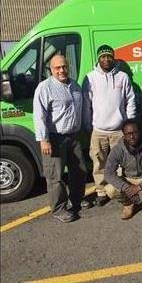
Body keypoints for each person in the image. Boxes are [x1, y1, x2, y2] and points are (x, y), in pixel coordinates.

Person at [33, 55, 86, 223]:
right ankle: (59, 209)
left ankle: (76, 200)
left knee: (80, 171)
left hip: (73, 137)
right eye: (57, 68)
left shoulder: (75, 85)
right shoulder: (45, 87)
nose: (62, 70)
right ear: (51, 69)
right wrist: (44, 139)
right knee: (55, 176)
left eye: (64, 66)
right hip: (54, 138)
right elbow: (39, 115)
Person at [82, 44, 136, 206]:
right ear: (98, 59)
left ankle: (119, 189)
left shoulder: (123, 77)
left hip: (119, 130)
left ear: (113, 58)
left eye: (109, 56)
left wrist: (129, 122)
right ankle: (101, 191)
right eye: (103, 56)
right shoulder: (90, 78)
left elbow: (130, 100)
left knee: (120, 163)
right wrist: (87, 125)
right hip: (98, 130)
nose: (106, 59)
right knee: (99, 163)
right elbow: (86, 104)